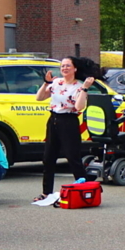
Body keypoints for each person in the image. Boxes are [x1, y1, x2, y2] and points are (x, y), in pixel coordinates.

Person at [33, 56, 96, 202]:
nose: (64, 68)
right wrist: (46, 82)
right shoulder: (56, 82)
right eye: (62, 66)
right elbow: (39, 97)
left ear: (75, 69)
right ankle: (46, 192)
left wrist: (85, 88)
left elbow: (79, 107)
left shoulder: (78, 86)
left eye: (68, 66)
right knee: (48, 157)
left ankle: (85, 191)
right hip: (53, 119)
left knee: (73, 157)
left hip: (68, 121)